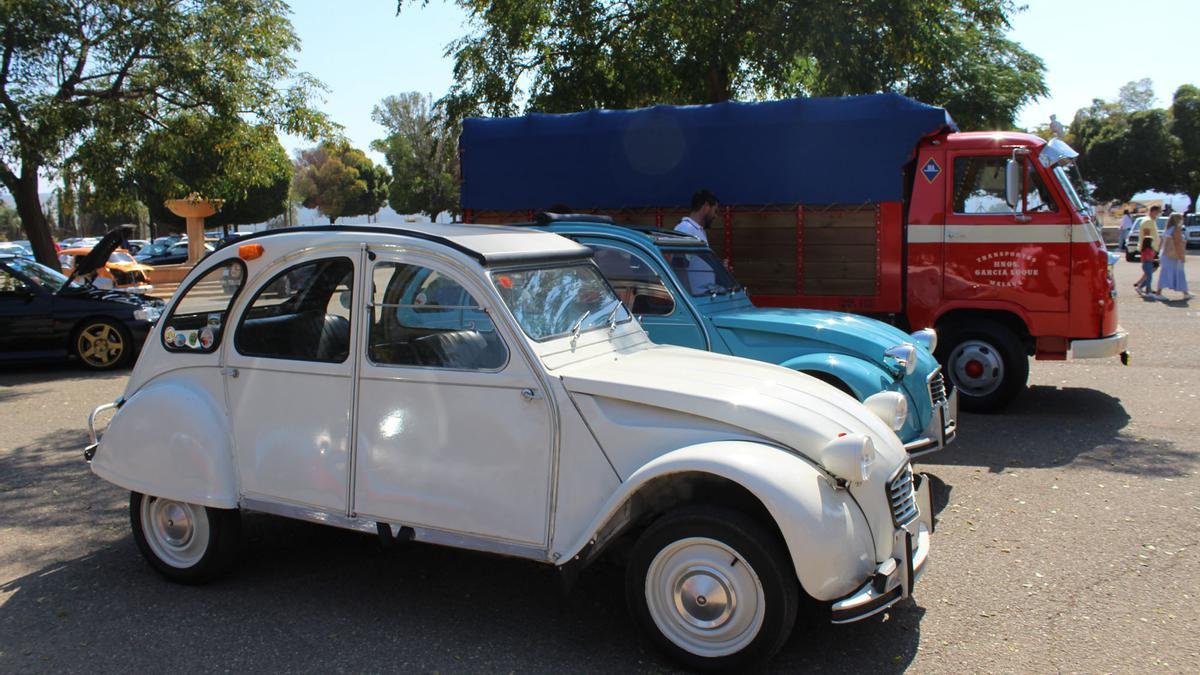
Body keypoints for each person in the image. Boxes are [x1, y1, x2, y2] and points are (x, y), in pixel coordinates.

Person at [1155, 213, 1192, 300]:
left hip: (1166, 255)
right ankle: (1185, 293)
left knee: (1166, 273)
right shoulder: (1176, 230)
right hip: (1173, 256)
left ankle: (1159, 292)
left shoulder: (1168, 229)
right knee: (1179, 272)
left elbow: (1161, 243)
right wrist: (1181, 256)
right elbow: (1177, 244)